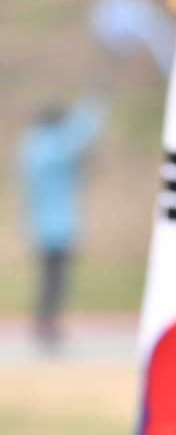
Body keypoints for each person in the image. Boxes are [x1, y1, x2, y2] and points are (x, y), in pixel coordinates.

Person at [17, 95, 105, 348]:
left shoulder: (30, 146)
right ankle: (48, 324)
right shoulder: (52, 149)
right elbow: (80, 136)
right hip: (58, 227)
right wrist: (94, 106)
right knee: (55, 280)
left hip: (38, 225)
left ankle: (45, 323)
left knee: (48, 278)